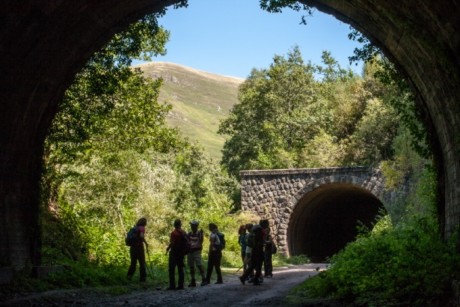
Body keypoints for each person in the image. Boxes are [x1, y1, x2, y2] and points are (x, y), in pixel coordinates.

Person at [166, 219, 187, 290]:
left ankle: (172, 285)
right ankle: (181, 285)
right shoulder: (184, 232)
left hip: (174, 252)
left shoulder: (174, 233)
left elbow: (172, 243)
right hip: (181, 253)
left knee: (171, 269)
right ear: (180, 224)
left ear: (174, 224)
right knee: (180, 268)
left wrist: (168, 248)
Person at [127, 217, 148, 282]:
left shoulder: (135, 228)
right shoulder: (142, 228)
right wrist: (145, 243)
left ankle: (128, 277)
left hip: (132, 248)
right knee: (142, 263)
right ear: (144, 223)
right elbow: (141, 236)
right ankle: (142, 279)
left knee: (133, 263)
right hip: (139, 248)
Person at [187, 220, 206, 287]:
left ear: (196, 226)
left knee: (199, 265)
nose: (192, 227)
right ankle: (193, 281)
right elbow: (187, 242)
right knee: (191, 266)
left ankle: (204, 279)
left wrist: (201, 234)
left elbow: (201, 241)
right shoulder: (189, 233)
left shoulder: (199, 233)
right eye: (191, 225)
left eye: (193, 226)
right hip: (190, 251)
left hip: (197, 251)